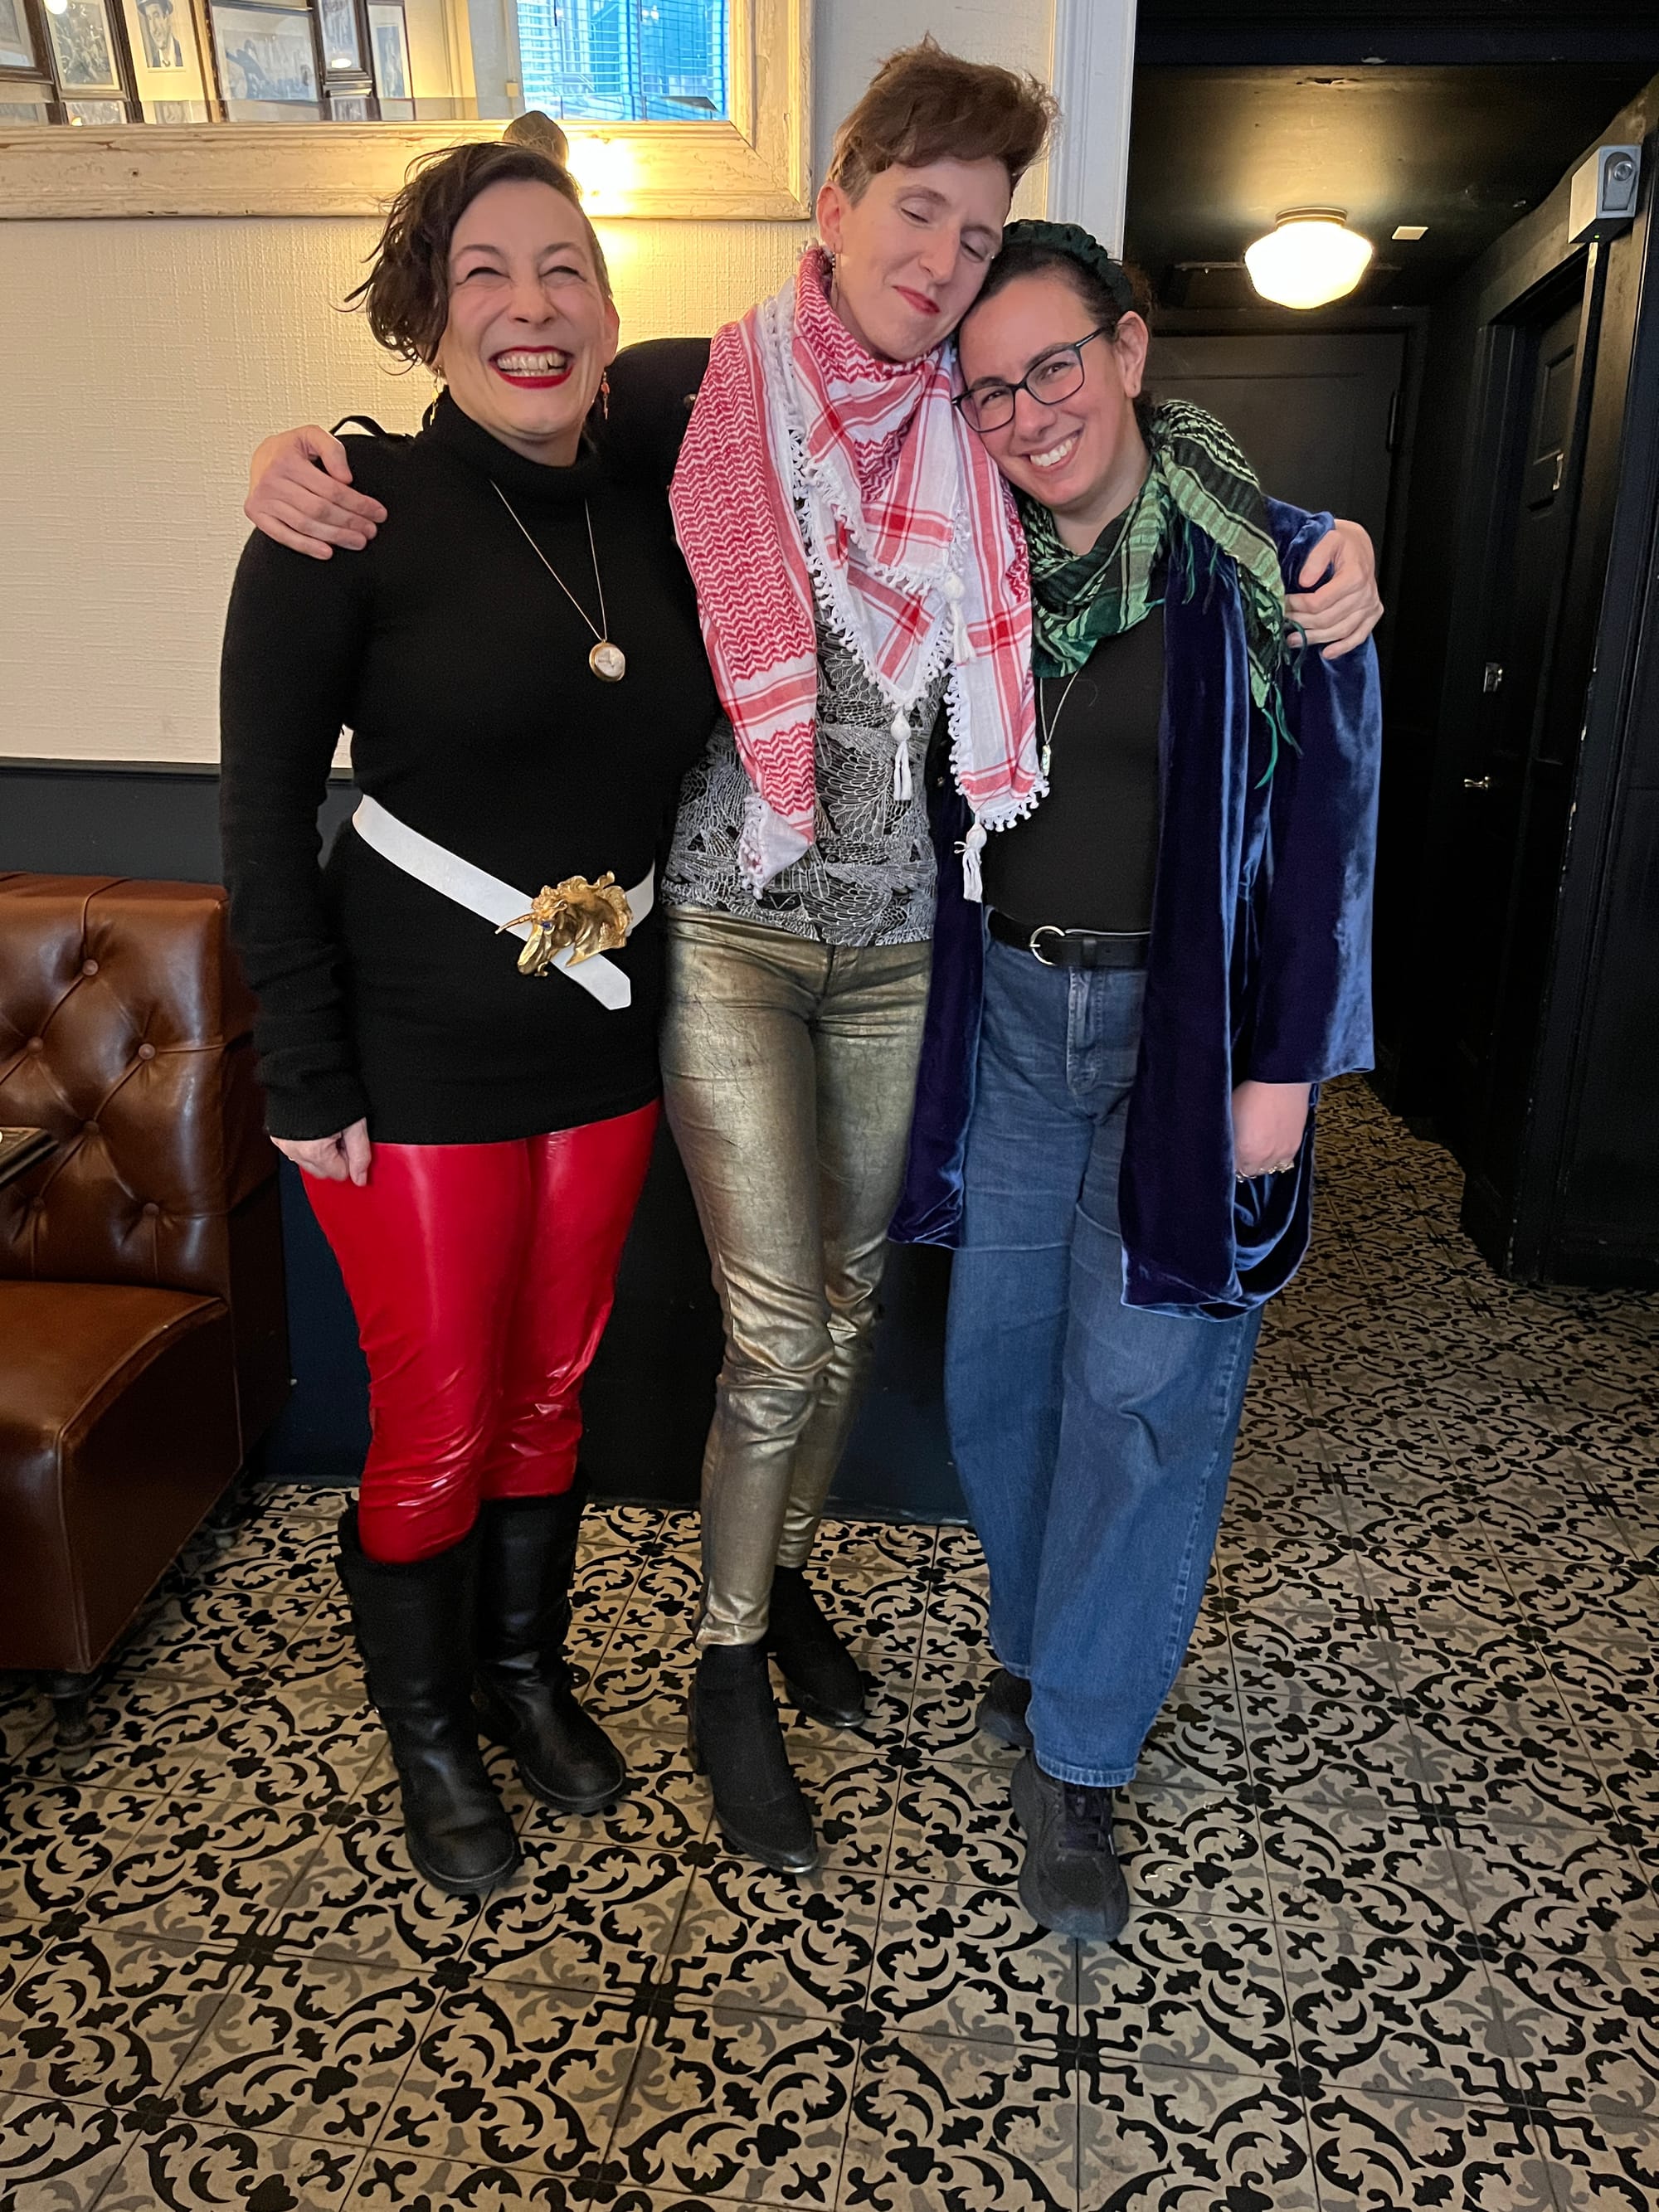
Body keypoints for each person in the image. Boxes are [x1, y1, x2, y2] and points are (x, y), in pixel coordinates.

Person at [240, 46, 1384, 1884]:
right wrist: (318, 451)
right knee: (777, 1325)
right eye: (913, 210)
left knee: (839, 1311)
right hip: (735, 936)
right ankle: (718, 1665)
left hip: (911, 946)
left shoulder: (982, 421)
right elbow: (495, 442)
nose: (943, 258)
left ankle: (757, 1601)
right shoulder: (701, 389)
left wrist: (1331, 555)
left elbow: (1160, 481)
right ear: (833, 208)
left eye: (978, 226)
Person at [219, 135, 719, 1898]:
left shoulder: (657, 471)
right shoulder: (344, 503)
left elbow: (849, 350)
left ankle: (523, 1675)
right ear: (424, 314)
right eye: (485, 274)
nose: (531, 305)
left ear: (607, 302)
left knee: (553, 1393)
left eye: (563, 268)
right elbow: (264, 805)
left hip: (601, 1044)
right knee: (434, 1415)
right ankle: (429, 1726)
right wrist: (303, 1061)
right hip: (409, 1063)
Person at [893, 221, 1383, 1940]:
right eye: (988, 387)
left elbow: (1328, 838)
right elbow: (726, 437)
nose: (1024, 412)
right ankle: (1034, 1654)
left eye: (1051, 365)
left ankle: (1083, 1755)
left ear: (1124, 349)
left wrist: (1288, 1078)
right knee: (1000, 1377)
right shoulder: (965, 570)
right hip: (1016, 1034)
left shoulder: (1282, 563)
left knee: (1140, 1399)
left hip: (1184, 1052)